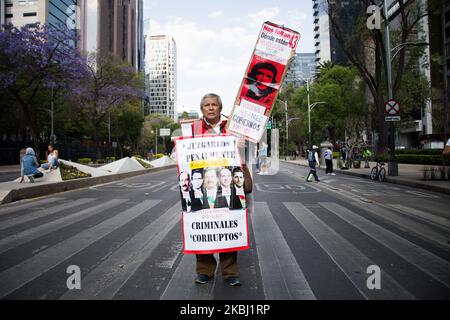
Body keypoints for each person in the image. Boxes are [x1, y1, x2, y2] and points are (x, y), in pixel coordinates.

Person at [191, 93, 253, 287]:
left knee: (228, 224)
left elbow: (247, 149)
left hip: (228, 178)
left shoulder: (233, 127)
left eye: (214, 105)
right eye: (207, 105)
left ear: (220, 108)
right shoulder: (193, 128)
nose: (210, 108)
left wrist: (243, 145)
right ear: (202, 109)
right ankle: (204, 271)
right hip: (205, 181)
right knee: (204, 227)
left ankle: (230, 272)